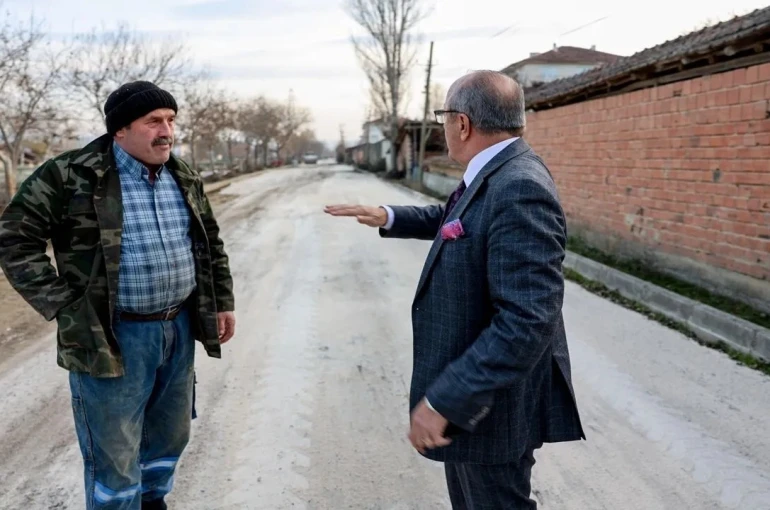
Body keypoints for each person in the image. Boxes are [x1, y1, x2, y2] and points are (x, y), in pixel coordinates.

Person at [324, 70, 584, 509]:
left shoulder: (518, 186)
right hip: (479, 407)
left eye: (443, 116)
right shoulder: (498, 170)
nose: (442, 126)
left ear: (462, 123)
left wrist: (449, 396)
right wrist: (388, 214)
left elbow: (527, 319)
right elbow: (457, 217)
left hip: (492, 408)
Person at [0, 81, 235, 510]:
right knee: (115, 450)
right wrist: (63, 303)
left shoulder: (182, 174)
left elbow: (209, 241)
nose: (166, 131)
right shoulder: (70, 174)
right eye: (153, 122)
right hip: (110, 337)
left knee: (170, 433)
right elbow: (14, 239)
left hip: (176, 328)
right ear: (119, 131)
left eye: (170, 120)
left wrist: (221, 300)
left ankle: (152, 502)